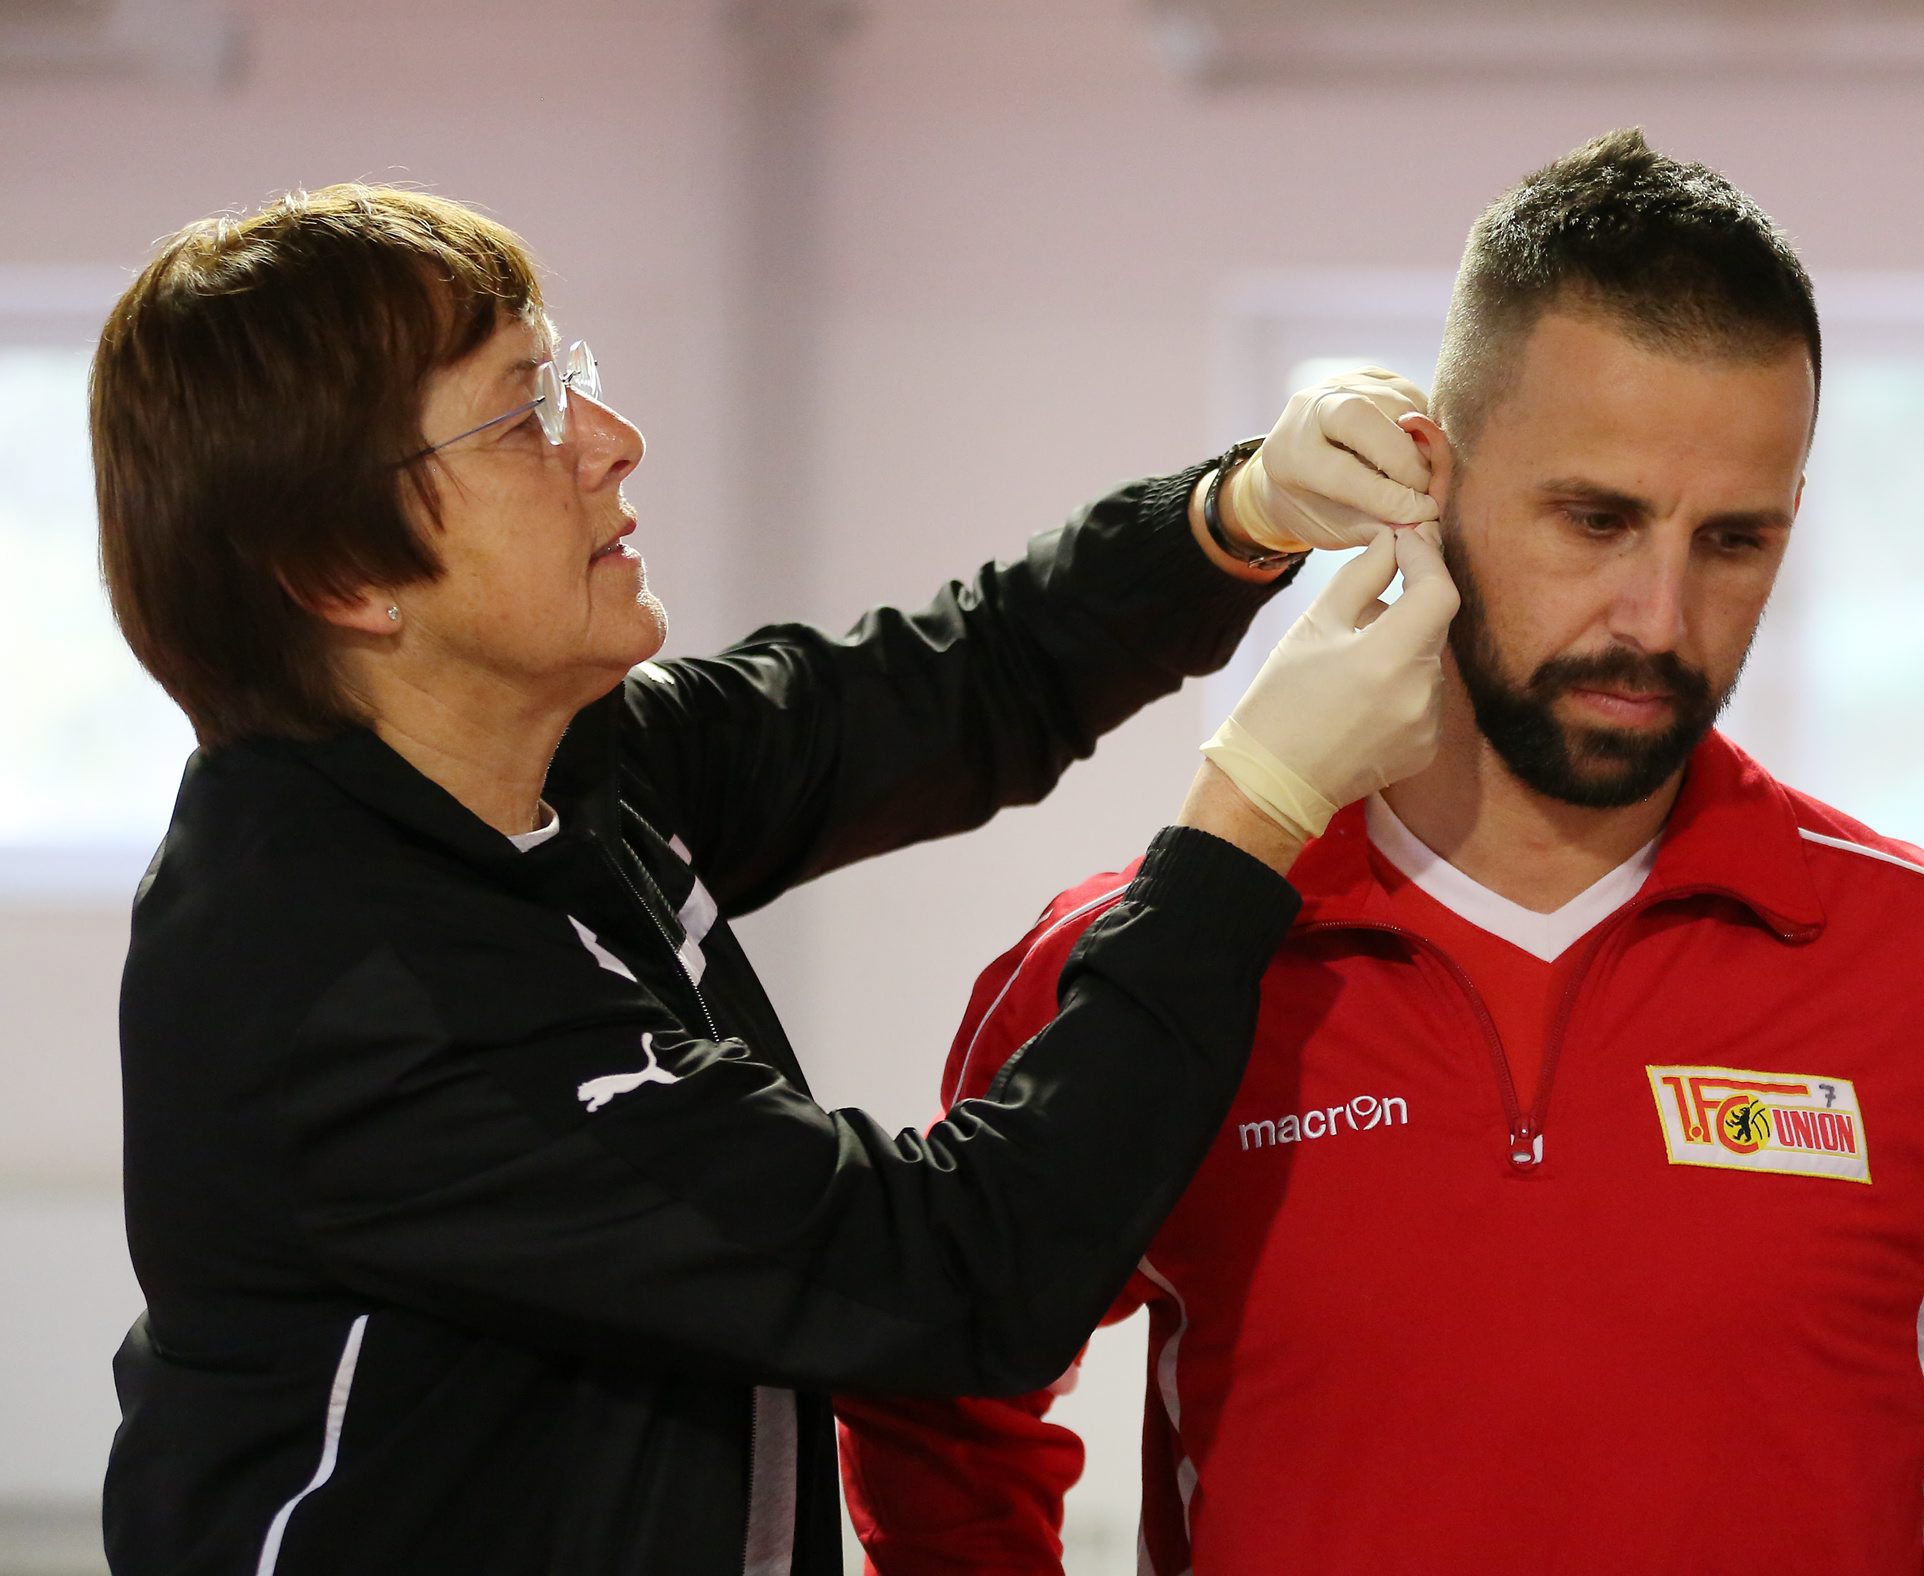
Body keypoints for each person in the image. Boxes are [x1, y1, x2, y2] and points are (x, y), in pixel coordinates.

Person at [91, 186, 1461, 1574]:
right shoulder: (352, 986)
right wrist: (1256, 808)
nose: (611, 440)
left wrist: (1237, 512)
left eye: (570, 378)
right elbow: (954, 1275)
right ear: (338, 574)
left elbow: (961, 684)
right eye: (521, 417)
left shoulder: (562, 766)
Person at [836, 129, 1924, 1575]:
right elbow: (936, 1394)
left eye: (1734, 542)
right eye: (1595, 520)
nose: (1659, 619)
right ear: (1427, 480)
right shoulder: (1135, 980)